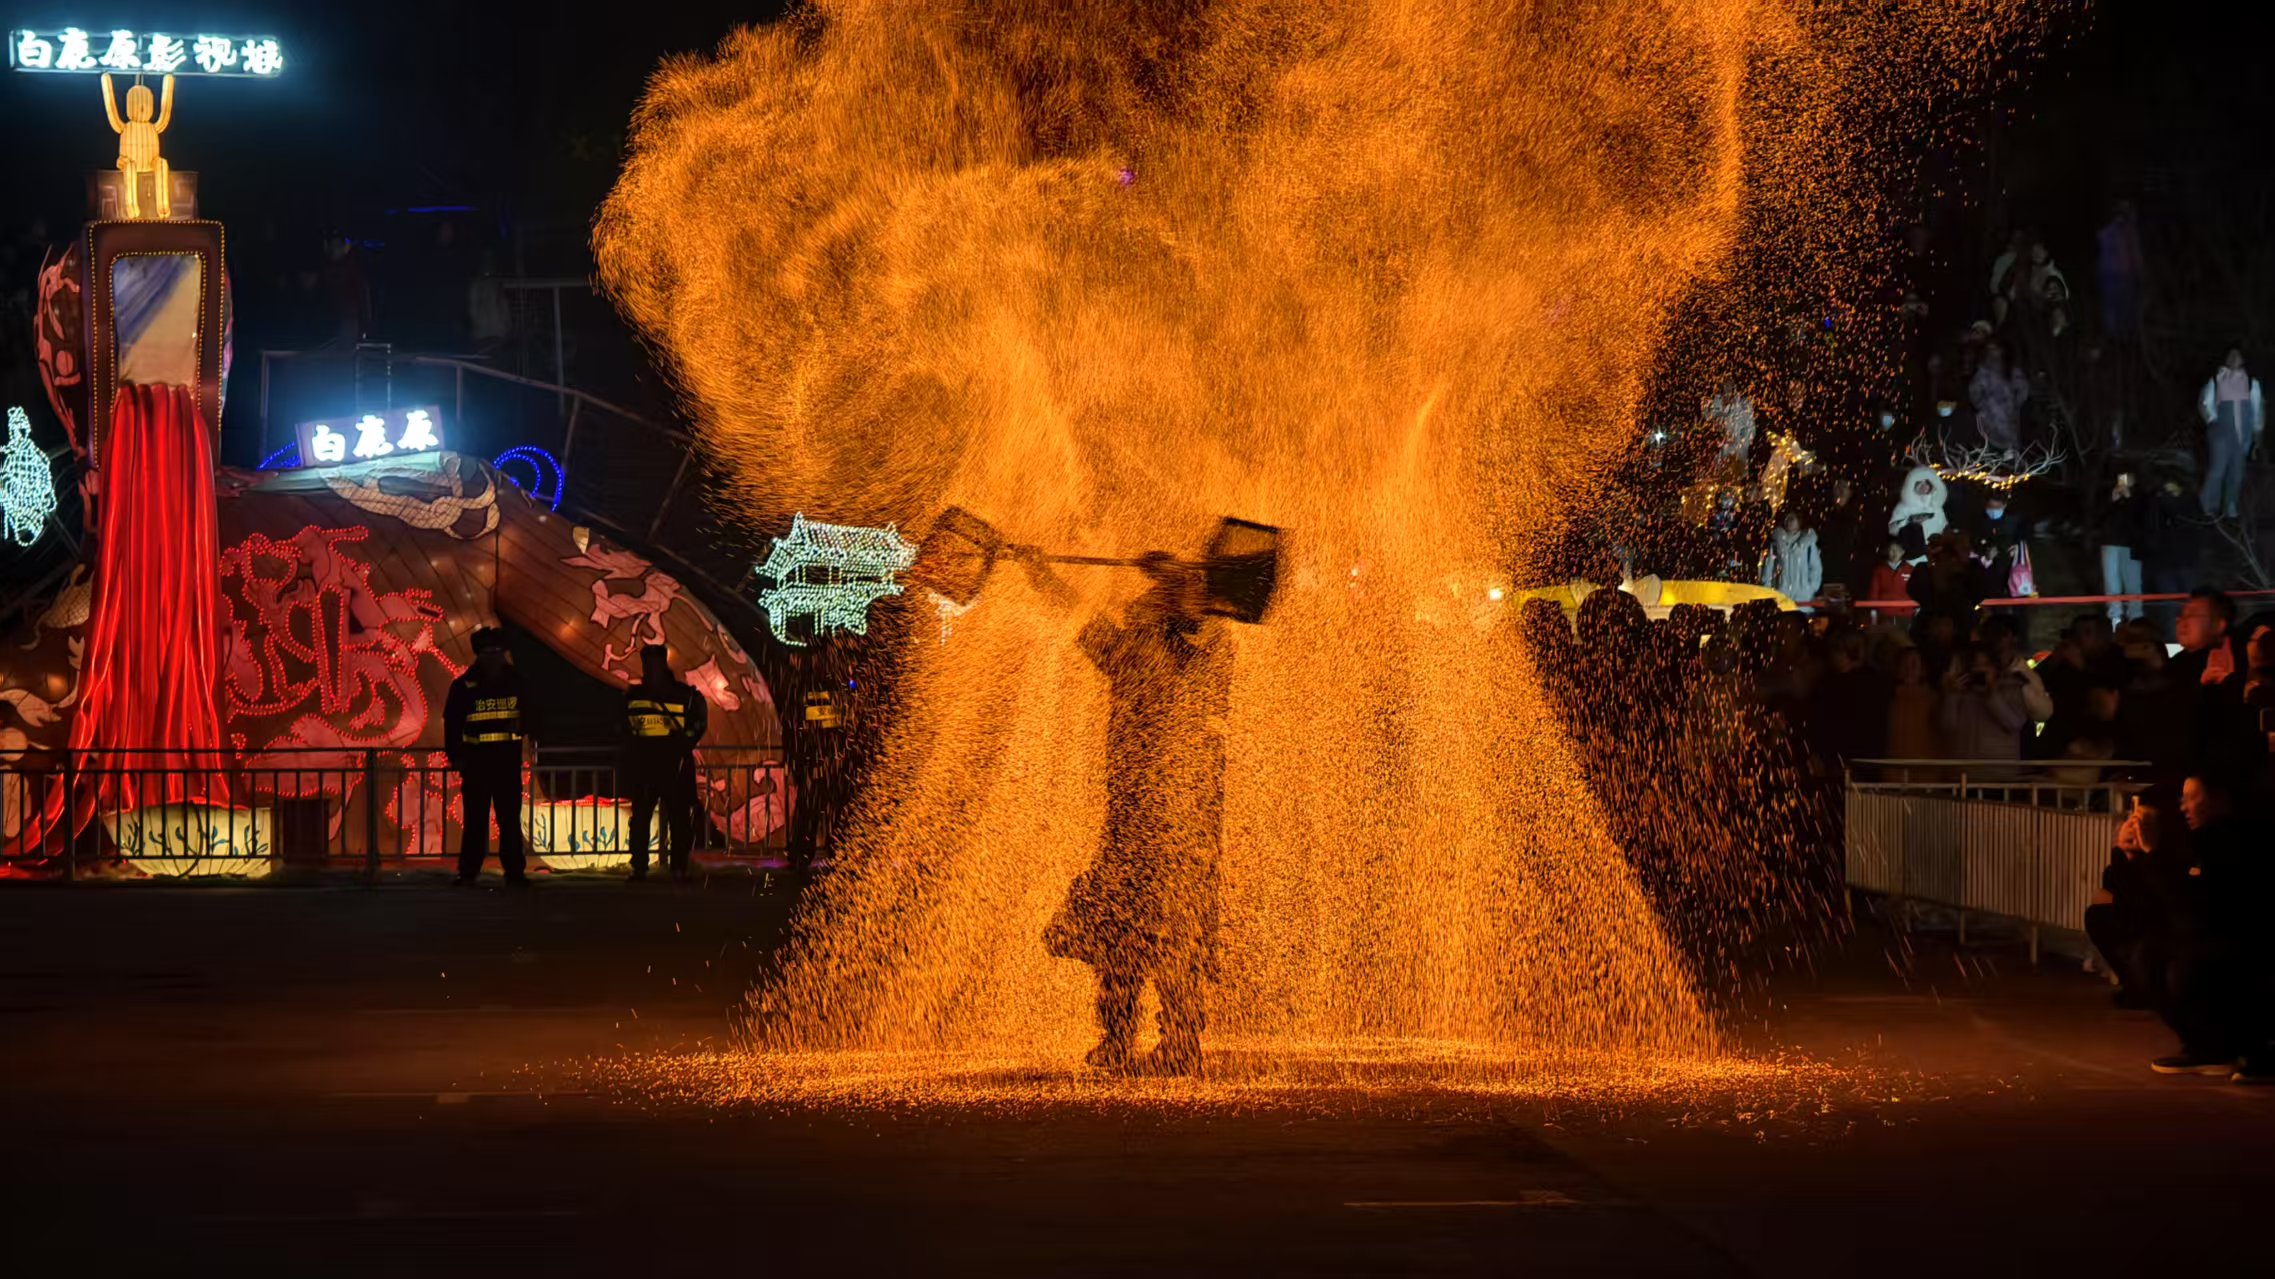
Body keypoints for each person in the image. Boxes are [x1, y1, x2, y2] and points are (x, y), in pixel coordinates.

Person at [1040, 551, 1232, 1077]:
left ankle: (1180, 1040)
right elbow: (1079, 618)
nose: (1132, 612)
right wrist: (1040, 573)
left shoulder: (1197, 651)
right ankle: (1118, 1035)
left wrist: (1174, 577)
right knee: (1118, 935)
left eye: (1143, 607)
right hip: (1130, 823)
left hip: (1177, 824)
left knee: (1174, 932)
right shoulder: (1129, 654)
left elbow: (1196, 623)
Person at [2148, 775, 2272, 1082]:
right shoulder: (2198, 842)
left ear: (2218, 800)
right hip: (2214, 937)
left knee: (2191, 965)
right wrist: (2133, 855)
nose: (2183, 806)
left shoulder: (2235, 842)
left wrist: (2152, 854)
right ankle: (2206, 1046)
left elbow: (2199, 905)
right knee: (2150, 956)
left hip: (2245, 940)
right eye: (2182, 798)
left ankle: (2234, 1048)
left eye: (2192, 797)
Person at [444, 628, 530, 886]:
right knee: (475, 822)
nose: (494, 658)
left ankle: (514, 872)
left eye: (497, 653)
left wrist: (524, 726)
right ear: (479, 656)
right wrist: (456, 757)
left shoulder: (517, 683)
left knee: (509, 822)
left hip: (506, 764)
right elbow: (452, 725)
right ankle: (468, 872)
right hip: (476, 766)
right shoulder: (463, 686)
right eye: (489, 653)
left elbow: (534, 715)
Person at [621, 644, 708, 882]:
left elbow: (698, 721)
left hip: (668, 765)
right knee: (643, 820)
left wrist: (682, 745)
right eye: (648, 664)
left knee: (674, 820)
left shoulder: (636, 696)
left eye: (653, 663)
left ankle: (672, 867)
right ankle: (644, 867)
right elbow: (623, 729)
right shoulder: (680, 694)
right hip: (655, 765)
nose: (650, 668)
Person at [2196, 347, 2264, 519]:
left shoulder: (2251, 383)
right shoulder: (2217, 379)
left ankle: (2230, 506)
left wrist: (2257, 437)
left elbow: (2258, 412)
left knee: (2236, 474)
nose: (2234, 357)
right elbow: (2204, 403)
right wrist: (2212, 421)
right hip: (2221, 436)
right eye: (2230, 354)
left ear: (2243, 358)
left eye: (2237, 354)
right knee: (2217, 471)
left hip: (2243, 438)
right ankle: (2206, 505)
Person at [2097, 470, 2148, 626]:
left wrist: (2128, 498)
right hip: (2110, 543)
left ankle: (2135, 617)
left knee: (2133, 583)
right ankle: (2115, 617)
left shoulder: (2141, 497)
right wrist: (2112, 501)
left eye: (2127, 478)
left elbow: (2142, 518)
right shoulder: (2108, 494)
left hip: (2131, 545)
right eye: (2121, 478)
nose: (2123, 481)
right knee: (2111, 581)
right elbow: (2098, 517)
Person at [1969, 340, 2030, 453]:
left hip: (2009, 418)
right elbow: (1975, 392)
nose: (1993, 352)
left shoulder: (2011, 370)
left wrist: (2015, 403)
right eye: (1990, 350)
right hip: (1989, 419)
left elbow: (2023, 388)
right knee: (1992, 450)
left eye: (1996, 349)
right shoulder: (1983, 371)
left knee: (2011, 450)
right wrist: (1984, 406)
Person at [2097, 202, 2145, 341]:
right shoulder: (2124, 231)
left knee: (2118, 311)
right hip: (2120, 274)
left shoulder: (2108, 232)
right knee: (2123, 310)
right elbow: (2134, 255)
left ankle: (2118, 339)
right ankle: (2121, 340)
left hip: (2112, 274)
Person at [1970, 491, 2031, 598]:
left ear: (2004, 505)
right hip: (1989, 568)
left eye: (1996, 507)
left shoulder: (2013, 521)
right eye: (1990, 506)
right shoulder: (1980, 521)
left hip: (2009, 565)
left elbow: (2022, 536)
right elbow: (1975, 541)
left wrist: (2013, 546)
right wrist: (1985, 552)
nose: (1993, 510)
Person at [1887, 465, 1949, 562]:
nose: (1923, 486)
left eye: (1927, 483)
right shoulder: (1903, 506)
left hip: (1933, 556)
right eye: (1919, 483)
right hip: (1911, 558)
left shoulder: (1936, 508)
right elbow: (1892, 529)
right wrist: (1909, 521)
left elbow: (1943, 528)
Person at [1760, 510, 1823, 606]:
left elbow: (1815, 567)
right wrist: (1768, 590)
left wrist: (1811, 587)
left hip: (1803, 597)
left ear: (1799, 521)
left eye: (1792, 518)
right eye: (1786, 518)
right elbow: (1768, 567)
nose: (1788, 521)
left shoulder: (1807, 543)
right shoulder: (1777, 543)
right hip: (1781, 595)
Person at [1866, 540, 1915, 621]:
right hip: (1885, 613)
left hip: (1906, 613)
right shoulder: (1879, 570)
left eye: (1898, 550)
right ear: (1887, 551)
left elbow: (1917, 592)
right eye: (1892, 550)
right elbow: (1874, 591)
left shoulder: (1911, 570)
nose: (1895, 553)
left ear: (1903, 552)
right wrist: (1873, 611)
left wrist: (1917, 608)